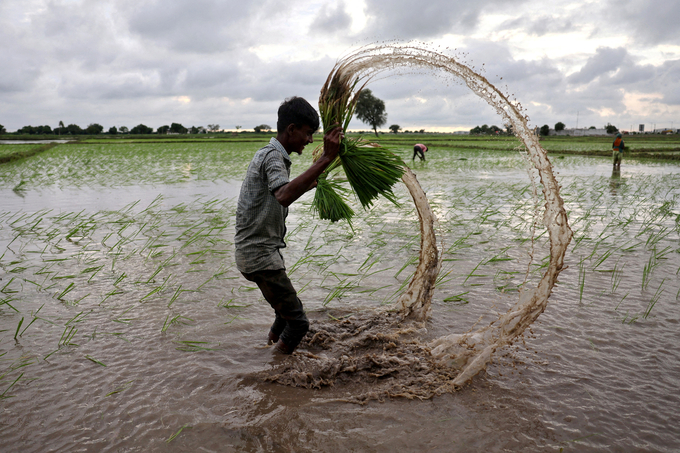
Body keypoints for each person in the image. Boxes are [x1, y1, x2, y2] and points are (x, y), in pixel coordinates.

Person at [234, 97, 342, 354]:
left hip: (258, 253)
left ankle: (267, 348)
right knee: (299, 323)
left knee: (284, 316)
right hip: (260, 256)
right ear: (291, 129)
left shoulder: (272, 155)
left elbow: (280, 193)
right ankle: (273, 369)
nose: (310, 140)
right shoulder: (272, 156)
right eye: (307, 133)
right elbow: (283, 195)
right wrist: (326, 158)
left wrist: (312, 180)